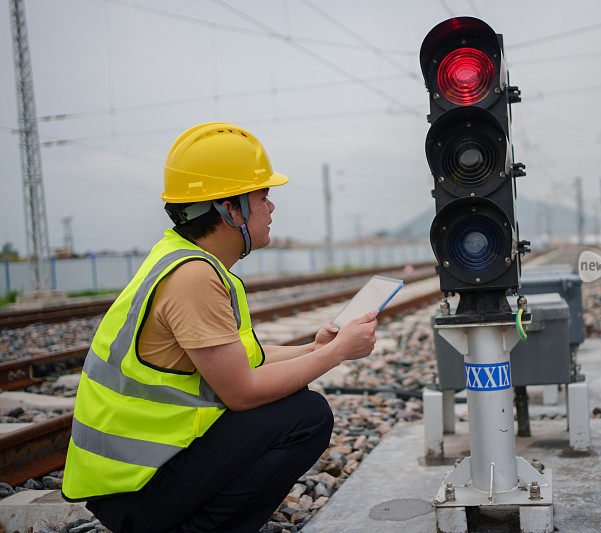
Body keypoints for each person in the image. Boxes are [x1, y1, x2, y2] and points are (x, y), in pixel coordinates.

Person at [61, 122, 378, 532]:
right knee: (307, 414)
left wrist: (314, 349)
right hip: (135, 492)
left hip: (134, 482)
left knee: (295, 400)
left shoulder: (185, 259)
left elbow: (241, 360)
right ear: (231, 209)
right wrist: (337, 355)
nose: (271, 207)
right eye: (262, 196)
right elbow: (242, 392)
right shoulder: (193, 277)